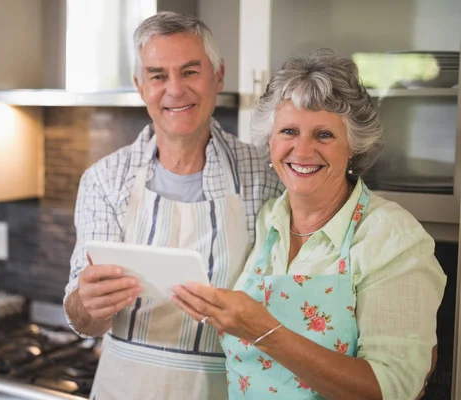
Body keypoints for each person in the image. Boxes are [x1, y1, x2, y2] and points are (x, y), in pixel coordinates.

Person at [171, 49, 446, 400]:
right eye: (288, 131)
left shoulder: (390, 236)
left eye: (324, 135)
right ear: (270, 141)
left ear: (354, 147)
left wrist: (263, 331)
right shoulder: (266, 219)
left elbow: (393, 388)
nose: (302, 151)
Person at [62, 11, 283, 400]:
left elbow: (283, 301)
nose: (175, 90)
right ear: (140, 85)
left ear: (219, 76)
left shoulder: (264, 176)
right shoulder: (104, 179)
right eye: (158, 75)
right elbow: (82, 318)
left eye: (190, 72)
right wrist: (88, 304)